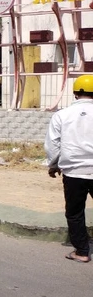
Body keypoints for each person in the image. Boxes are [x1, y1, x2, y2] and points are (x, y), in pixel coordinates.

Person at [46, 75, 93, 263]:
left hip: (73, 172)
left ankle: (82, 252)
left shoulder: (62, 115)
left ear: (75, 93)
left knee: (75, 212)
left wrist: (53, 165)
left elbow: (53, 144)